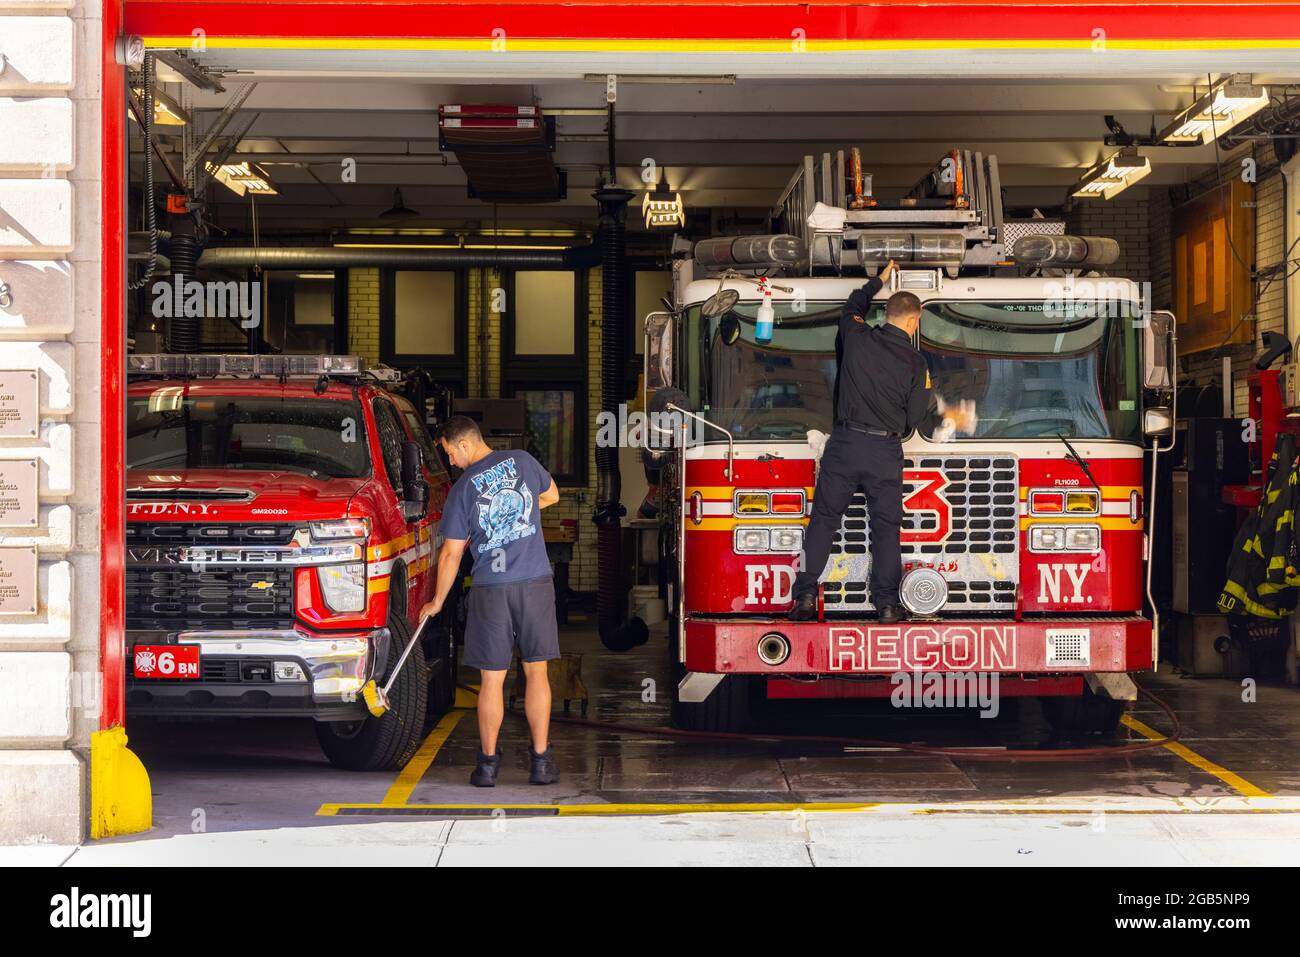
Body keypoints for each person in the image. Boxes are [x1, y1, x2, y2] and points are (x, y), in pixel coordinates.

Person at [790, 260, 975, 623]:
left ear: (887, 313)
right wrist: (951, 416)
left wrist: (878, 280)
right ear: (914, 320)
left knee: (825, 520)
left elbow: (852, 305)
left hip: (843, 444)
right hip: (883, 451)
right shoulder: (914, 363)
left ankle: (806, 597)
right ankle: (888, 605)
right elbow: (914, 419)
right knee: (886, 527)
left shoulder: (856, 335)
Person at [418, 414, 562, 787]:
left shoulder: (463, 489)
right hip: (534, 582)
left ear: (464, 445)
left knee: (492, 680)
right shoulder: (524, 461)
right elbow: (552, 495)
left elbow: (450, 555)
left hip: (491, 588)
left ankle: (486, 767)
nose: (450, 462)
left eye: (450, 453)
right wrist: (518, 521)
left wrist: (436, 601)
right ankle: (542, 762)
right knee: (536, 671)